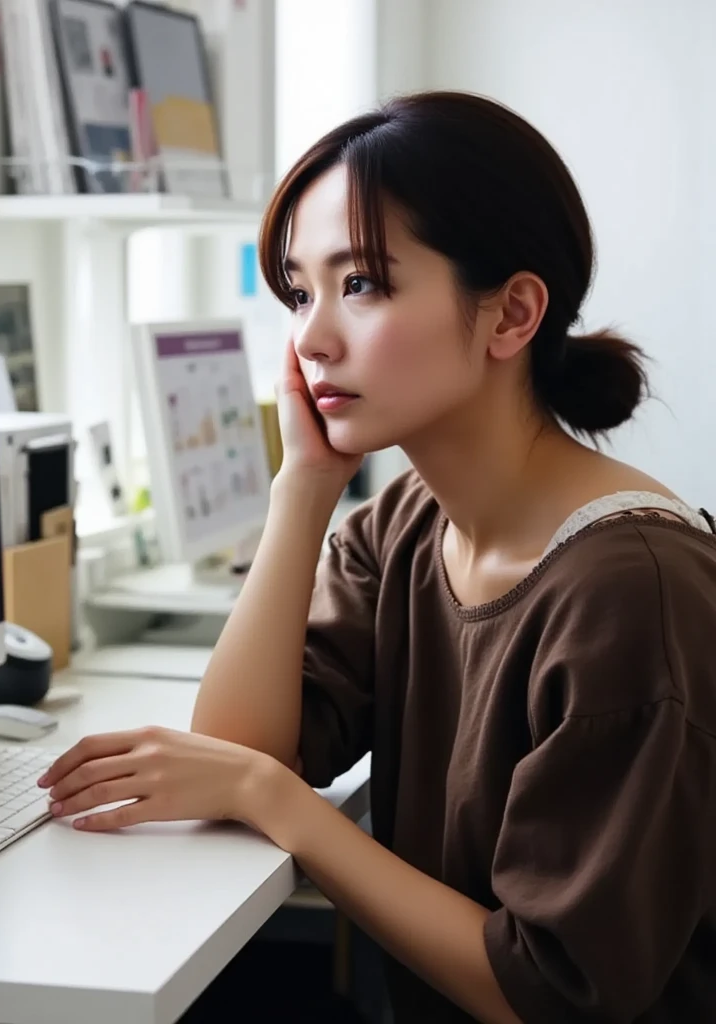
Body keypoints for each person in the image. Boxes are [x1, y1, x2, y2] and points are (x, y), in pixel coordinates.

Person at [38, 92, 716, 1023]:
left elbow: (550, 995)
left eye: (361, 284)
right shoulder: (406, 520)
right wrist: (302, 491)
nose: (313, 338)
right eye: (299, 290)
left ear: (511, 314)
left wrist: (270, 797)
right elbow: (237, 749)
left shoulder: (630, 592)